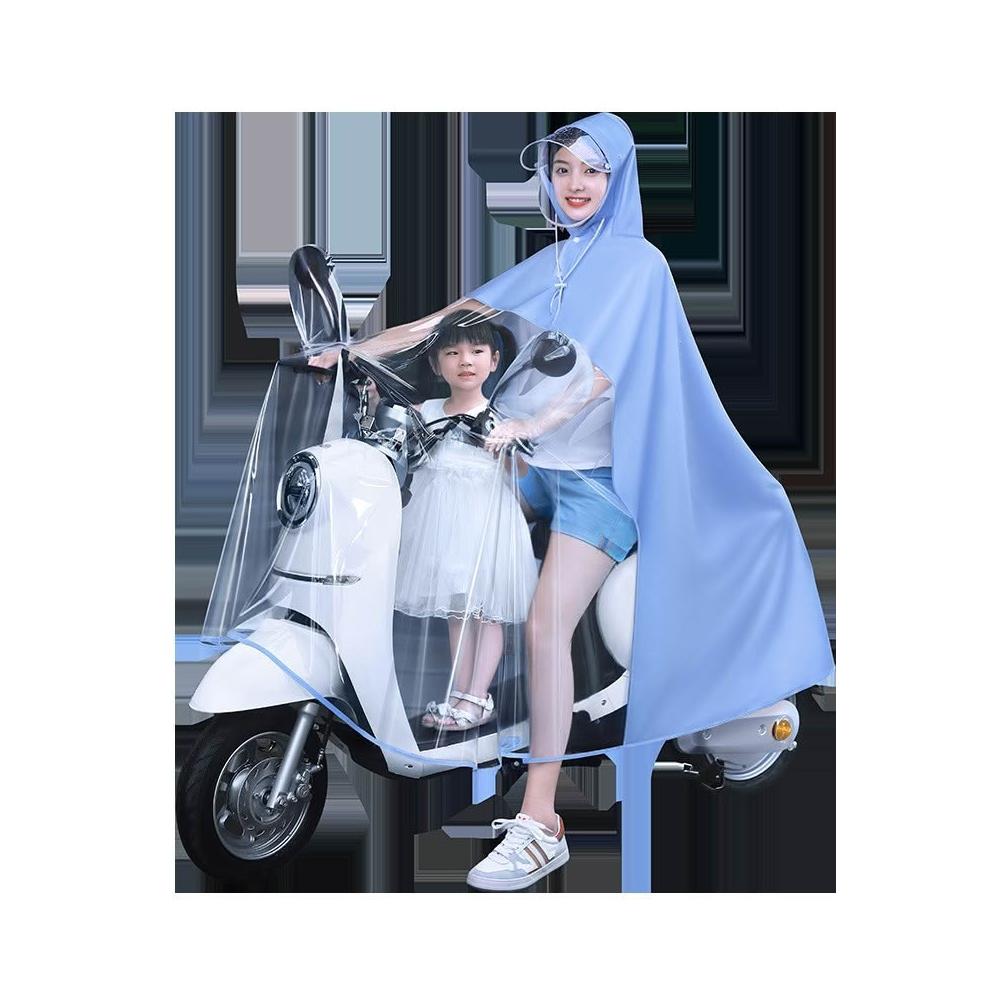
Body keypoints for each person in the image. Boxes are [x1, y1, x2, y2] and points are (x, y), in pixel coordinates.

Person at [311, 113, 835, 893]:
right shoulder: (545, 264)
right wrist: (354, 351)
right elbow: (447, 321)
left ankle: (541, 819)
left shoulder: (640, 266)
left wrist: (537, 420)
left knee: (544, 623)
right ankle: (467, 704)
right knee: (444, 532)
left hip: (598, 483)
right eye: (562, 170)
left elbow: (612, 376)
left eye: (592, 169)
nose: (576, 184)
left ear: (618, 178)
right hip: (529, 467)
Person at [393, 309, 537, 731]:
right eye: (452, 352)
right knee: (458, 611)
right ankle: (459, 693)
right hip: (441, 525)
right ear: (437, 363)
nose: (465, 361)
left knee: (488, 611)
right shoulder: (425, 411)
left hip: (487, 522)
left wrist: (505, 447)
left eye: (476, 351)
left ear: (494, 360)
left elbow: (522, 472)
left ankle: (478, 695)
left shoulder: (501, 417)